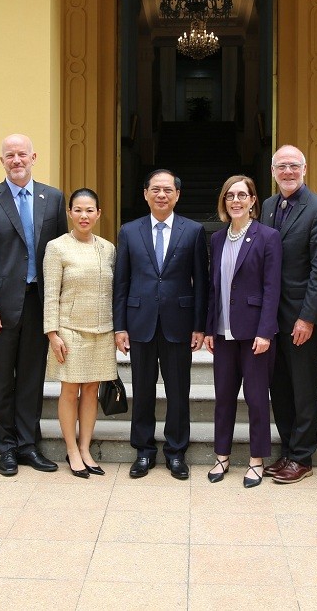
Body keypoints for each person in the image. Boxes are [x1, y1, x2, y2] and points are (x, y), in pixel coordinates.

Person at [0, 134, 68, 476]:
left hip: (38, 303)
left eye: (22, 154)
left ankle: (28, 445)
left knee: (31, 378)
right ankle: (6, 448)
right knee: (2, 380)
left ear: (33, 156)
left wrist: (58, 308)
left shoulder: (53, 199)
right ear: (2, 161)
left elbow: (60, 255)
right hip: (0, 307)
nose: (16, 160)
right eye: (9, 155)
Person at [114, 169, 208, 480]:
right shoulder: (129, 231)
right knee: (142, 390)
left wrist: (199, 326)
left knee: (178, 390)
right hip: (139, 322)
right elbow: (122, 281)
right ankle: (143, 450)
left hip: (179, 324)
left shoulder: (193, 231)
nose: (162, 195)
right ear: (145, 193)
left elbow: (201, 282)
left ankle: (176, 451)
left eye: (168, 190)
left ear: (177, 195)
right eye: (155, 189)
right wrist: (120, 326)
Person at [259, 145, 317, 485]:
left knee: (304, 387)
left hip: (301, 317)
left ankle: (303, 456)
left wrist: (308, 317)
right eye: (281, 166)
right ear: (273, 171)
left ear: (305, 169)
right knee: (280, 387)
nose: (287, 172)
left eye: (293, 166)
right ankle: (288, 450)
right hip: (271, 317)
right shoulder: (268, 206)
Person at [203, 176, 282, 488]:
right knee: (223, 396)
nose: (235, 201)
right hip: (223, 333)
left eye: (242, 195)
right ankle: (221, 455)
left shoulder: (268, 237)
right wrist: (210, 327)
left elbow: (272, 287)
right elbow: (213, 288)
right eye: (229, 196)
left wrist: (266, 331)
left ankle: (256, 459)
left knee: (256, 398)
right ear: (224, 203)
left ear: (252, 201)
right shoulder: (217, 239)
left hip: (254, 335)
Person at [43, 188, 116, 478]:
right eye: (78, 210)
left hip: (102, 329)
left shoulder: (108, 248)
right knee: (70, 390)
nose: (84, 216)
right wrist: (52, 333)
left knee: (91, 391)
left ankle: (86, 448)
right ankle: (71, 450)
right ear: (69, 213)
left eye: (90, 211)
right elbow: (50, 293)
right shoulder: (57, 247)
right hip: (69, 330)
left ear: (98, 214)